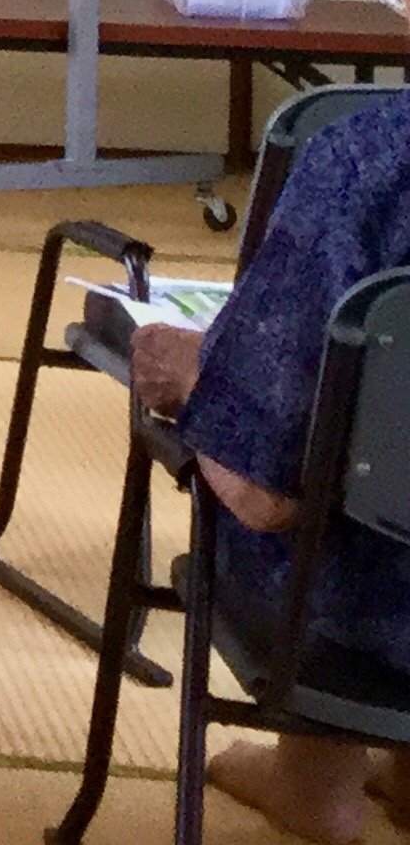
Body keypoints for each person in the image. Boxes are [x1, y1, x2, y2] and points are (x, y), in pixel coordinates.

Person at [136, 92, 410, 845]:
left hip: (378, 620)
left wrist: (194, 377)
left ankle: (315, 782)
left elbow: (267, 491)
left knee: (311, 466)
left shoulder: (366, 157)